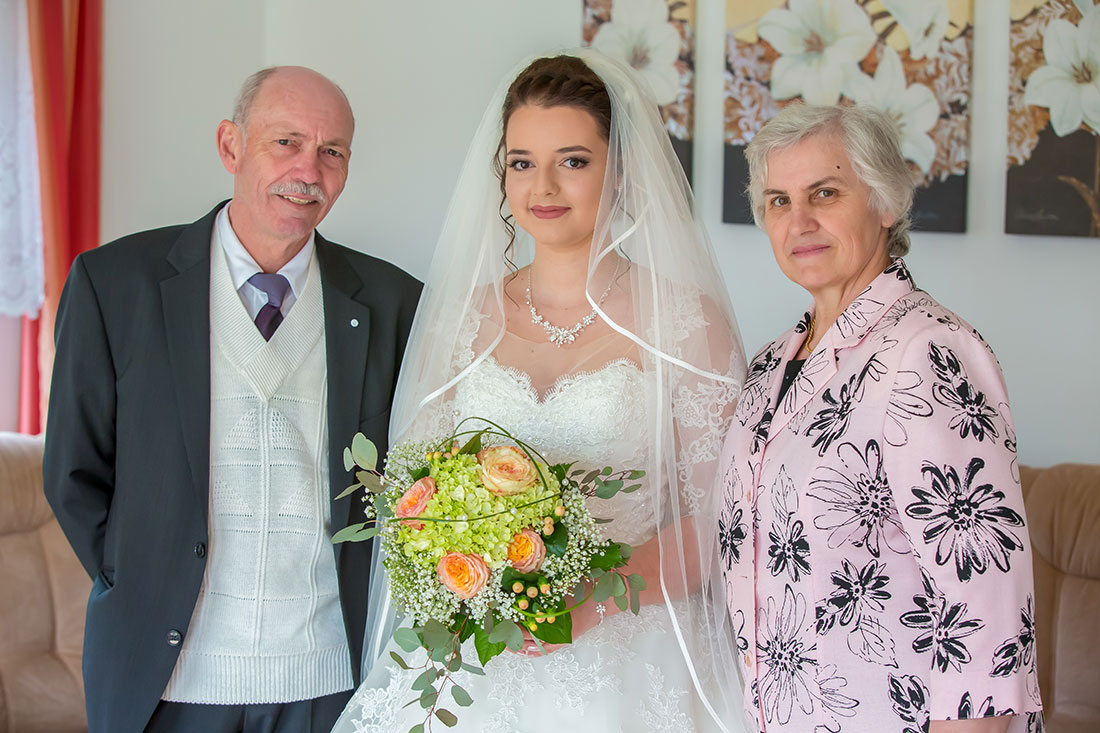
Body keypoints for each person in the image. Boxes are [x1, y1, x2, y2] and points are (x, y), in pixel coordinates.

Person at [331, 50, 749, 732]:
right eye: (522, 161)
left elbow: (717, 524)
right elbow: (414, 500)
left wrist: (593, 601)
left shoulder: (686, 323)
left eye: (574, 160)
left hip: (629, 660)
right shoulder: (462, 322)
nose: (543, 184)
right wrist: (466, 572)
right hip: (474, 660)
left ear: (621, 170)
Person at [43, 66, 421, 733]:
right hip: (166, 681)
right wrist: (138, 573)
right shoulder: (114, 283)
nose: (309, 169)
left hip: (331, 680)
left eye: (332, 152)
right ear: (230, 146)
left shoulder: (395, 302)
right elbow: (74, 472)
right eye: (287, 142)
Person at [717, 102, 1043, 732]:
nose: (800, 221)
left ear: (886, 203)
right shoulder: (766, 369)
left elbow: (986, 601)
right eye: (779, 201)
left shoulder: (928, 353)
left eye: (826, 192)